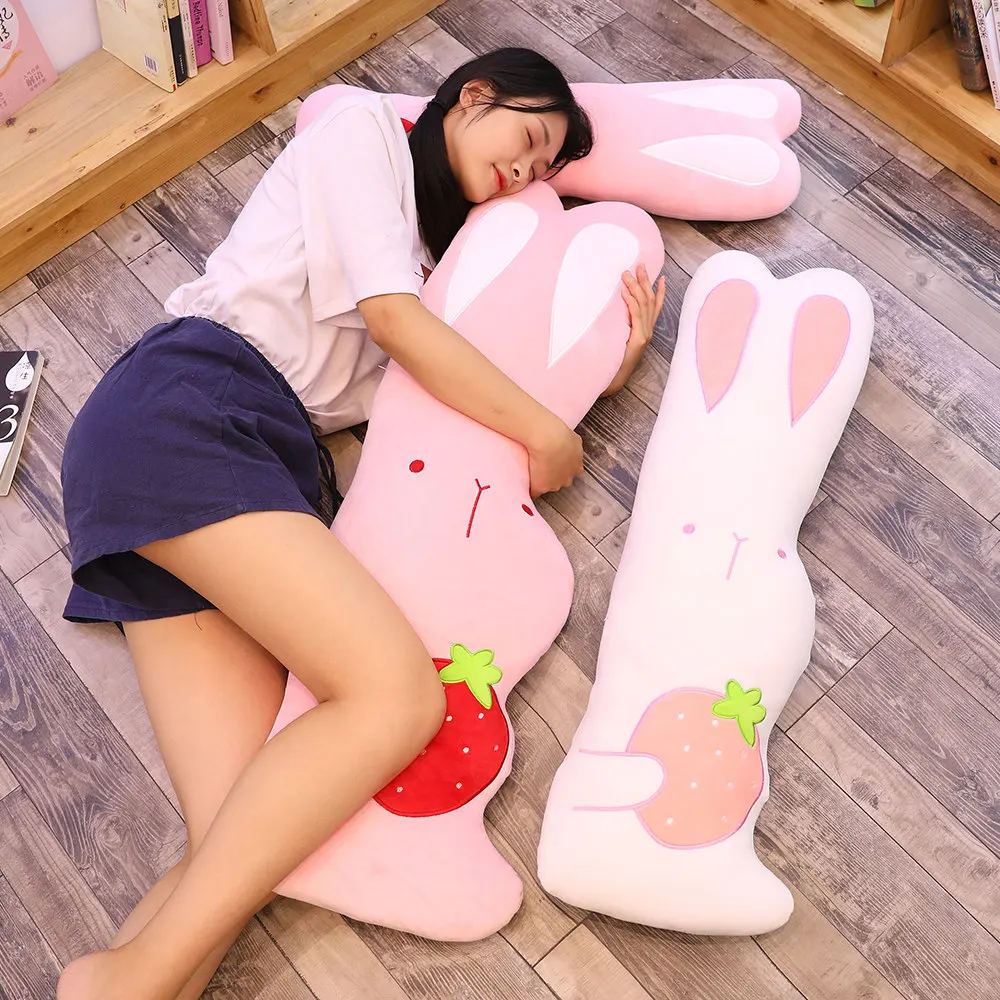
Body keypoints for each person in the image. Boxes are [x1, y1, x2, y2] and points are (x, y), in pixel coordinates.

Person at [56, 47, 666, 1000]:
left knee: (246, 846)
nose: (527, 169)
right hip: (190, 410)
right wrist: (549, 433)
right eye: (529, 137)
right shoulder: (363, 134)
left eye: (546, 168)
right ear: (473, 94)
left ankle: (110, 988)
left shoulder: (438, 267)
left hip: (252, 463)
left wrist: (606, 369)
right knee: (396, 696)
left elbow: (453, 385)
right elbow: (391, 322)